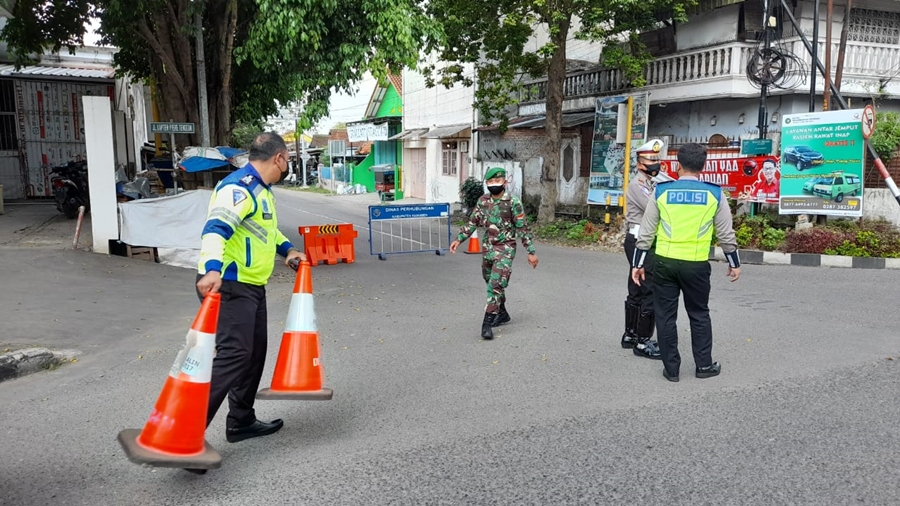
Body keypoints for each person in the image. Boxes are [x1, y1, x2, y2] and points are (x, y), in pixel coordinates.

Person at [190, 132, 305, 473]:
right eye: (288, 161)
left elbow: (265, 231)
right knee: (235, 355)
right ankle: (186, 435)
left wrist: (288, 250)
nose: (287, 167)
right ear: (280, 158)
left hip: (251, 285)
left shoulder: (263, 191)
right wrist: (212, 269)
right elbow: (216, 228)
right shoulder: (239, 187)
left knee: (253, 353)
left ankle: (241, 421)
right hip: (228, 284)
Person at [631, 143, 741, 383]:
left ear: (678, 165)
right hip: (696, 266)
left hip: (665, 264)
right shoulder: (714, 194)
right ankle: (704, 366)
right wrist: (734, 262)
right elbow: (726, 234)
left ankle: (671, 369)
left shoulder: (661, 192)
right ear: (703, 166)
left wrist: (637, 264)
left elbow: (646, 233)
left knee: (665, 316)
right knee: (699, 314)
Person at [450, 167, 539, 339]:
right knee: (490, 280)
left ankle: (487, 323)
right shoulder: (483, 201)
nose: (494, 185)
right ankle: (502, 312)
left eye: (497, 181)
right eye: (490, 182)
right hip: (488, 250)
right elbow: (472, 222)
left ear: (504, 182)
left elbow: (523, 228)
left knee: (495, 284)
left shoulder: (513, 203)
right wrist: (459, 239)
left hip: (505, 250)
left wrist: (531, 251)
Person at [620, 138, 666, 360]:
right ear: (639, 163)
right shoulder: (638, 185)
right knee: (649, 288)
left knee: (636, 286)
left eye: (657, 158)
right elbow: (655, 209)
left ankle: (630, 335)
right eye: (651, 159)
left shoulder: (651, 181)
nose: (655, 162)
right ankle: (643, 341)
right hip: (640, 240)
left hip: (640, 240)